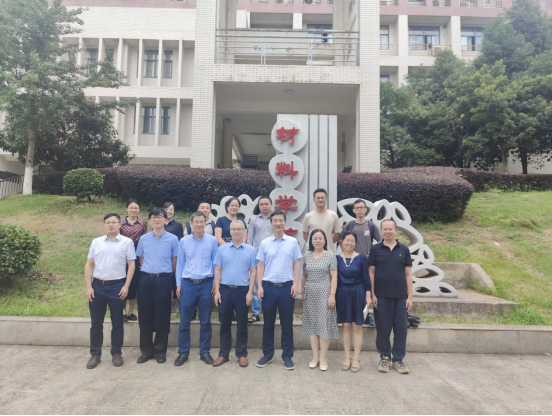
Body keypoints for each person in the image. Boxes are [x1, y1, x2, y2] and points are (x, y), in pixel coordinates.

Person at [85, 213, 136, 369]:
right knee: (96, 323)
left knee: (118, 323)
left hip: (117, 287)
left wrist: (126, 285)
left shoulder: (127, 242)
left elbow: (131, 264)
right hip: (98, 287)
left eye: (114, 222)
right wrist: (88, 287)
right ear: (104, 225)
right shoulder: (96, 242)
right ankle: (95, 354)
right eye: (108, 222)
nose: (111, 225)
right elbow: (89, 264)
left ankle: (116, 353)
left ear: (120, 224)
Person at [256, 211, 302, 371]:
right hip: (268, 287)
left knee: (287, 324)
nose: (278, 223)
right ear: (271, 223)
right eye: (275, 221)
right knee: (268, 324)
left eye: (280, 220)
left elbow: (297, 263)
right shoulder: (265, 243)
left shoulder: (292, 242)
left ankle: (287, 356)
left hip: (286, 288)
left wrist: (295, 284)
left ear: (285, 222)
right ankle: (267, 354)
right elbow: (260, 265)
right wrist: (259, 286)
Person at [369, 219, 413, 375]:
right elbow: (371, 272)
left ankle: (398, 359)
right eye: (385, 229)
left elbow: (408, 274)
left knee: (401, 329)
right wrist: (372, 294)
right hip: (381, 297)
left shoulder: (404, 250)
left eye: (390, 229)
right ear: (381, 231)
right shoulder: (375, 249)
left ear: (396, 231)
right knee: (383, 329)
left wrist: (410, 297)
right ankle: (385, 357)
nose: (387, 232)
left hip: (401, 297)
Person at [174, 211, 219, 367]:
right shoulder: (184, 241)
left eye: (202, 222)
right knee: (184, 320)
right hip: (188, 284)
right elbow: (180, 264)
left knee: (205, 320)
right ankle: (183, 352)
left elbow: (215, 263)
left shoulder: (212, 241)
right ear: (191, 224)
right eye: (196, 222)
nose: (199, 224)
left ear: (205, 224)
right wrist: (179, 284)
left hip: (206, 284)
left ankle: (204, 351)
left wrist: (215, 283)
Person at [135, 208, 179, 365]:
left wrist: (163, 275)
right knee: (144, 316)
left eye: (160, 217)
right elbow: (141, 259)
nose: (157, 220)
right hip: (146, 280)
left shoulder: (173, 239)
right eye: (154, 217)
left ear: (165, 220)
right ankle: (146, 351)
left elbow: (174, 261)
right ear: (150, 220)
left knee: (162, 316)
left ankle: (160, 351)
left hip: (164, 280)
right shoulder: (143, 239)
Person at [213, 220, 257, 368]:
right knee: (224, 323)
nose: (237, 232)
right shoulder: (222, 249)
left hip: (242, 291)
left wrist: (250, 292)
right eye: (234, 229)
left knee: (242, 323)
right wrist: (217, 291)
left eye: (239, 229)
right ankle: (223, 354)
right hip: (225, 290)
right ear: (230, 232)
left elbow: (253, 271)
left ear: (244, 231)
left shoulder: (250, 250)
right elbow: (218, 270)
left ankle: (241, 354)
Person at [339, 199, 382, 327]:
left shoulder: (371, 225)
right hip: (351, 264)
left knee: (367, 288)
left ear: (365, 209)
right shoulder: (349, 225)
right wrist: (346, 253)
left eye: (361, 207)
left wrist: (373, 254)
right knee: (355, 290)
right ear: (353, 210)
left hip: (367, 263)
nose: (359, 210)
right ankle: (355, 315)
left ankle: (368, 315)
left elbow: (380, 242)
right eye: (357, 208)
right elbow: (341, 241)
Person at [301, 230, 339, 372]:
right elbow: (304, 276)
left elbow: (334, 277)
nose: (318, 240)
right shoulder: (306, 256)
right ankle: (315, 357)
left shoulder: (330, 256)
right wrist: (302, 292)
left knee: (324, 325)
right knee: (312, 325)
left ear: (325, 240)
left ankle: (323, 357)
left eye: (320, 238)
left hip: (325, 292)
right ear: (311, 241)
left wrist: (332, 295)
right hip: (310, 293)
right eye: (315, 238)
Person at [337, 231, 371, 373]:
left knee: (357, 326)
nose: (349, 243)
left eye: (352, 241)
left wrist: (368, 296)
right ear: (342, 242)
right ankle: (347, 357)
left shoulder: (361, 257)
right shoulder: (336, 258)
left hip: (358, 293)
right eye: (347, 240)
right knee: (345, 326)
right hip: (343, 294)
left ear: (355, 243)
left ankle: (356, 358)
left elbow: (366, 278)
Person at [119, 199, 148, 323]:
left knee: (135, 281)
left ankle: (131, 311)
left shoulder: (143, 223)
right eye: (131, 207)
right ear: (127, 209)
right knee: (122, 280)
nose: (133, 210)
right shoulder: (121, 223)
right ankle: (123, 311)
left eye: (136, 208)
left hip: (137, 251)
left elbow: (145, 239)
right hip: (123, 252)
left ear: (139, 210)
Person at [246, 196, 273, 324]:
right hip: (257, 256)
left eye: (266, 204)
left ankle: (269, 312)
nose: (264, 206)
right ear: (259, 206)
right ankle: (256, 313)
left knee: (270, 285)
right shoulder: (254, 219)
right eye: (262, 204)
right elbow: (250, 238)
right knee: (256, 285)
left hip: (272, 257)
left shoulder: (276, 218)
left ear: (271, 205)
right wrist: (250, 255)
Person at [303, 189, 342, 253]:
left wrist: (327, 243)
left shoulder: (333, 215)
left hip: (328, 252)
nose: (320, 200)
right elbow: (305, 234)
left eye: (322, 198)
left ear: (326, 199)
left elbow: (337, 234)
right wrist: (315, 244)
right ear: (314, 199)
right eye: (318, 198)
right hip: (311, 252)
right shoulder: (308, 216)